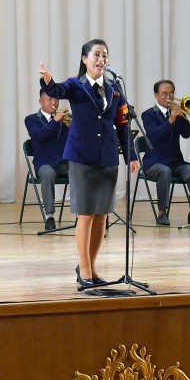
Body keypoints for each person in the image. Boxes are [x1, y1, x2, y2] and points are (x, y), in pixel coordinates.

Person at [38, 39, 139, 287]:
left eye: (105, 55)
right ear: (85, 59)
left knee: (101, 216)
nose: (101, 59)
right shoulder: (76, 85)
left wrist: (132, 155)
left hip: (107, 157)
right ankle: (83, 268)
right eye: (96, 54)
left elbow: (123, 123)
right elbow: (57, 90)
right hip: (82, 157)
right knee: (85, 215)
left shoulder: (115, 88)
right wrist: (48, 81)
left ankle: (92, 267)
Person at [140, 79, 190, 226]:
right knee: (165, 171)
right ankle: (162, 213)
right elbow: (155, 136)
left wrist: (183, 116)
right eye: (164, 94)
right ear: (156, 95)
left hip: (175, 162)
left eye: (172, 93)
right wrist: (170, 120)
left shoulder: (177, 112)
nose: (169, 97)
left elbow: (186, 134)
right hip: (154, 163)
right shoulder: (148, 115)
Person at [24, 89, 70, 231]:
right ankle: (49, 216)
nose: (53, 102)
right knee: (48, 173)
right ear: (40, 102)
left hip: (64, 163)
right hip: (45, 163)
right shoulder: (31, 119)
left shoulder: (66, 119)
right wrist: (56, 121)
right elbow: (39, 137)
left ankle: (81, 214)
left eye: (56, 99)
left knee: (82, 169)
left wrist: (74, 126)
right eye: (49, 99)